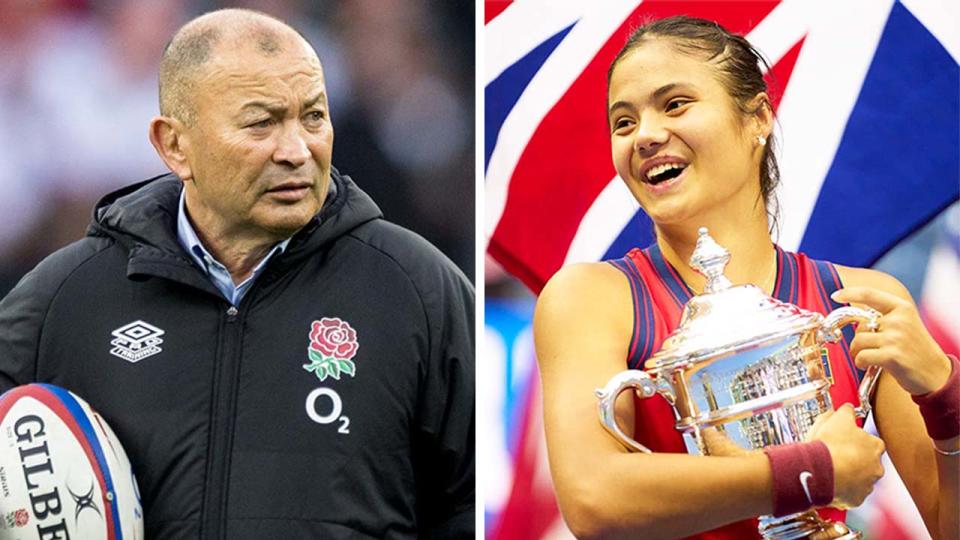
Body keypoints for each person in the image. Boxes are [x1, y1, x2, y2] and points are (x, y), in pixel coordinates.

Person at [0, 9, 474, 540]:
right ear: (174, 145)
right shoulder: (65, 299)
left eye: (313, 117)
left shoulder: (418, 289)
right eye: (261, 123)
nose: (297, 150)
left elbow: (477, 504)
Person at [534, 16, 958, 540]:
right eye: (623, 122)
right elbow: (593, 499)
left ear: (758, 117)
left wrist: (945, 395)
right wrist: (817, 470)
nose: (644, 135)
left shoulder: (862, 301)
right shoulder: (589, 298)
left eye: (675, 104)